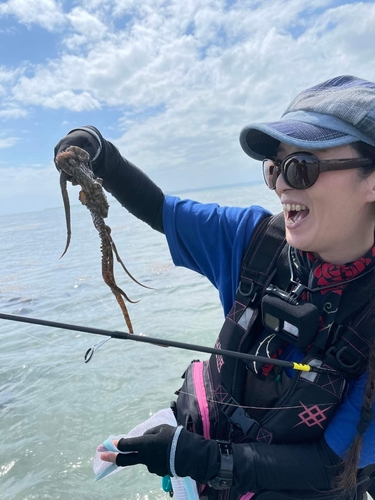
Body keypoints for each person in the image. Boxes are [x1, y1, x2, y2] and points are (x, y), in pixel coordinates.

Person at [54, 75, 375, 500]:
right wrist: (99, 155)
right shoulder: (253, 242)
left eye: (302, 167)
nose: (282, 185)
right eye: (276, 168)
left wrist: (204, 459)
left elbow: (331, 464)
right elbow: (159, 209)